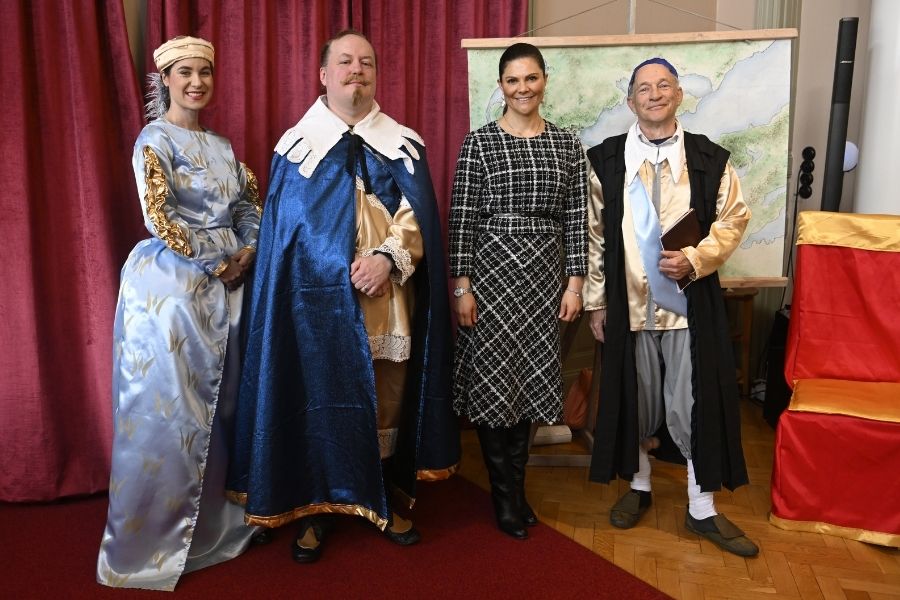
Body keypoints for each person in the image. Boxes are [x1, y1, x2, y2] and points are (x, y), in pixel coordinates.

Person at [226, 29, 459, 563]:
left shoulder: (403, 144)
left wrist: (387, 259)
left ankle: (381, 496)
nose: (357, 70)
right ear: (324, 75)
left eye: (367, 62)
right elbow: (287, 233)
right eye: (346, 61)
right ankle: (314, 505)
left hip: (387, 300)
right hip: (313, 308)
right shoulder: (295, 147)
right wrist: (329, 270)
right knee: (315, 392)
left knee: (386, 397)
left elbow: (418, 216)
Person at [96, 36, 261, 590]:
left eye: (204, 72)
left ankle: (218, 523)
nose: (196, 82)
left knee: (226, 404)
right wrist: (217, 261)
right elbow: (159, 214)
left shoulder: (222, 144)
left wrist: (248, 248)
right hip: (172, 287)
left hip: (232, 286)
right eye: (185, 72)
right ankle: (158, 539)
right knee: (172, 410)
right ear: (165, 79)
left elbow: (246, 206)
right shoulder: (154, 139)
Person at [583, 57, 758, 557]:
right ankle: (639, 487)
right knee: (635, 401)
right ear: (630, 100)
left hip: (689, 307)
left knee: (691, 404)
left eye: (664, 86)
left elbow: (733, 220)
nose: (654, 94)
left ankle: (701, 507)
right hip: (629, 307)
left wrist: (696, 259)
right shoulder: (605, 161)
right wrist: (597, 302)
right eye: (644, 88)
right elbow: (594, 236)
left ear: (679, 95)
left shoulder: (709, 158)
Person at [449, 43, 588, 540]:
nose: (522, 88)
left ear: (544, 80)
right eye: (513, 80)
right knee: (494, 385)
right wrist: (462, 287)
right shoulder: (479, 143)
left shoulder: (568, 145)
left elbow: (578, 219)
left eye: (531, 78)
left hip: (544, 281)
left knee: (529, 384)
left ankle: (518, 489)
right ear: (501, 86)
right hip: (490, 279)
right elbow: (461, 219)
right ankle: (504, 498)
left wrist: (575, 284)